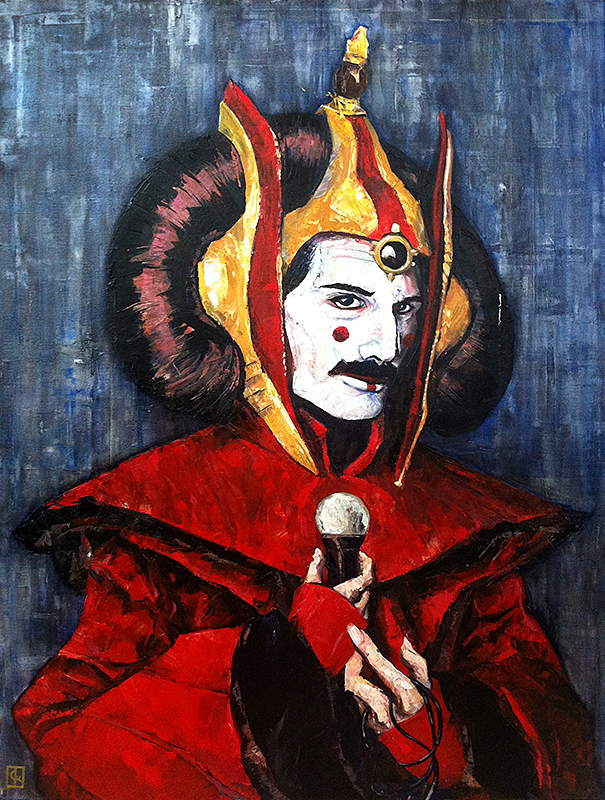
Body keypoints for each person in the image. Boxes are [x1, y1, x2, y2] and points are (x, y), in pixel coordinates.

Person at [13, 28, 600, 800]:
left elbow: (561, 741)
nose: (386, 345)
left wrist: (452, 741)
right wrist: (281, 663)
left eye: (406, 310)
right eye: (347, 301)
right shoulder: (156, 519)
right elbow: (63, 738)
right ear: (252, 306)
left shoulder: (468, 532)